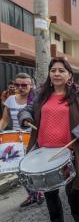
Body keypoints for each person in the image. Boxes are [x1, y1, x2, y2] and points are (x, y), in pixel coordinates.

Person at [18, 57, 79, 222]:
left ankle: (78, 218)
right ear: (49, 74)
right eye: (53, 70)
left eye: (61, 70)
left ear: (69, 75)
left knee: (73, 190)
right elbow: (26, 110)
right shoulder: (41, 94)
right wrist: (25, 117)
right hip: (44, 153)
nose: (57, 73)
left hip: (71, 152)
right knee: (49, 192)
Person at [0, 73, 45, 207]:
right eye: (17, 84)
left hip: (33, 139)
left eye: (24, 85)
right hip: (15, 141)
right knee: (18, 170)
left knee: (32, 169)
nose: (20, 87)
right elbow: (5, 119)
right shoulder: (10, 100)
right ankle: (33, 194)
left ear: (31, 85)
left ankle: (39, 192)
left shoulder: (36, 100)